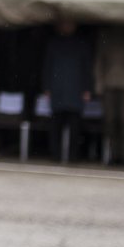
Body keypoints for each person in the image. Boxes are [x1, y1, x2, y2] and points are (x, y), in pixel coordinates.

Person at [40, 20, 92, 160]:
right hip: (58, 90)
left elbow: (87, 68)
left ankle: (73, 155)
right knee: (56, 126)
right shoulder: (53, 43)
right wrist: (47, 87)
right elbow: (47, 67)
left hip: (76, 90)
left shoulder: (82, 44)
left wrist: (87, 89)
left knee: (75, 127)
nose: (67, 26)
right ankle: (55, 154)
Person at [94, 25, 124, 163]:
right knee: (110, 121)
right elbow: (100, 60)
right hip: (109, 84)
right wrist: (99, 83)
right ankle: (113, 154)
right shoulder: (106, 35)